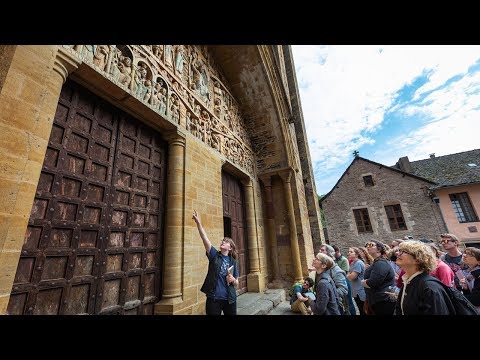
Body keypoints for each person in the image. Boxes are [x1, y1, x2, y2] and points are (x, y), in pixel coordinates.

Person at [192, 210, 239, 315]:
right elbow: (204, 238)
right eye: (223, 240)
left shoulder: (233, 261)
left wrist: (233, 280)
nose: (223, 241)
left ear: (230, 248)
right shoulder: (214, 255)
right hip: (214, 299)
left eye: (226, 241)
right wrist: (198, 223)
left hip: (230, 299)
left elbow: (237, 282)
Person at [394, 240, 453, 315]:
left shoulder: (429, 286)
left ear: (418, 259)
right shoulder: (408, 281)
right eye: (399, 251)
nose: (398, 254)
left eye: (403, 251)